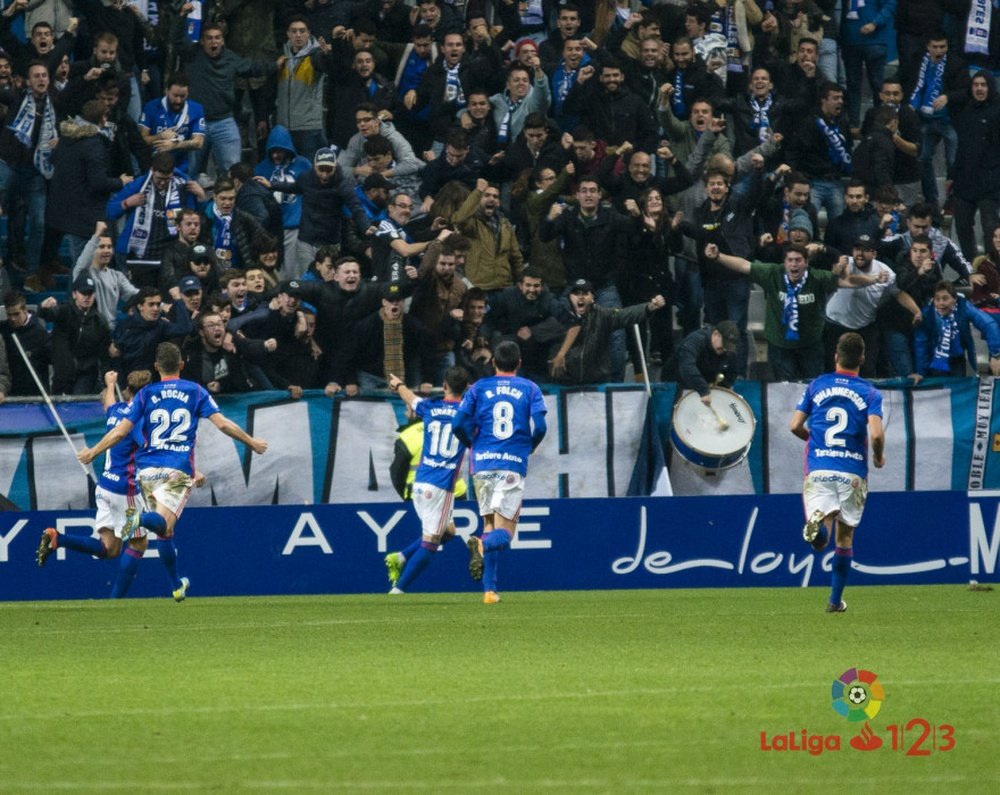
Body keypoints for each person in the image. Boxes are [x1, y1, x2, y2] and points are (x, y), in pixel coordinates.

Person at [77, 342, 268, 544]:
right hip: (176, 469)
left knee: (164, 532)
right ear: (182, 364)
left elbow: (120, 431)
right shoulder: (195, 391)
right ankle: (137, 519)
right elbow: (222, 424)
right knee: (163, 525)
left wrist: (93, 452)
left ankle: (173, 576)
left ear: (157, 366)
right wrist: (252, 442)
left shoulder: (145, 394)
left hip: (146, 472)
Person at [37, 369, 197, 601]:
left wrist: (109, 385)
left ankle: (58, 538)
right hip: (125, 488)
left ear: (127, 390)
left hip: (104, 486)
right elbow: (151, 446)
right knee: (139, 543)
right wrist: (191, 469)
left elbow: (108, 404)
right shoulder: (139, 420)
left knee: (109, 549)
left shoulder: (116, 412)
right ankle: (115, 603)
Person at [789, 331, 885, 613]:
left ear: (835, 356)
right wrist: (879, 456)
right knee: (845, 539)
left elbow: (794, 425)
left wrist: (815, 441)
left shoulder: (817, 385)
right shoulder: (869, 392)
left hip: (819, 468)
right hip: (852, 473)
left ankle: (817, 526)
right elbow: (876, 434)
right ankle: (834, 601)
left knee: (822, 542)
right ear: (862, 359)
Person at [455, 340, 547, 604]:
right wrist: (529, 446)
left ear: (493, 362)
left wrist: (471, 444)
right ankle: (481, 546)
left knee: (489, 524)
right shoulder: (530, 388)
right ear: (518, 363)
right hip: (510, 464)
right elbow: (540, 426)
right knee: (504, 536)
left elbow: (458, 423)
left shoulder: (478, 388)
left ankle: (489, 591)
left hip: (481, 463)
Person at [384, 366, 469, 594]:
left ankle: (401, 557)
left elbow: (410, 399)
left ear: (444, 386)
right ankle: (398, 591)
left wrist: (398, 384)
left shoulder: (432, 407)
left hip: (420, 484)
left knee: (448, 532)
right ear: (467, 389)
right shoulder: (467, 414)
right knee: (431, 544)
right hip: (441, 487)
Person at [662, 320, 740, 402]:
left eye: (727, 347)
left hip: (703, 381)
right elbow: (687, 366)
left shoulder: (728, 351)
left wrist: (722, 388)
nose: (724, 349)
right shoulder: (695, 340)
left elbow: (732, 372)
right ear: (716, 334)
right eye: (723, 345)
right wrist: (704, 390)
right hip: (676, 381)